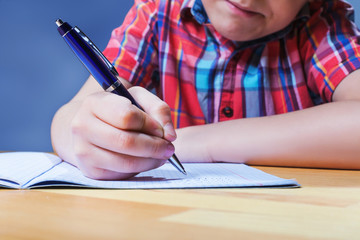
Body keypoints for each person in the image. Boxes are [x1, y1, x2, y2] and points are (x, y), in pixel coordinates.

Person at [51, 0, 360, 180]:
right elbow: (72, 118)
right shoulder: (157, 13)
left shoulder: (323, 23)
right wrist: (84, 136)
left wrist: (199, 142)